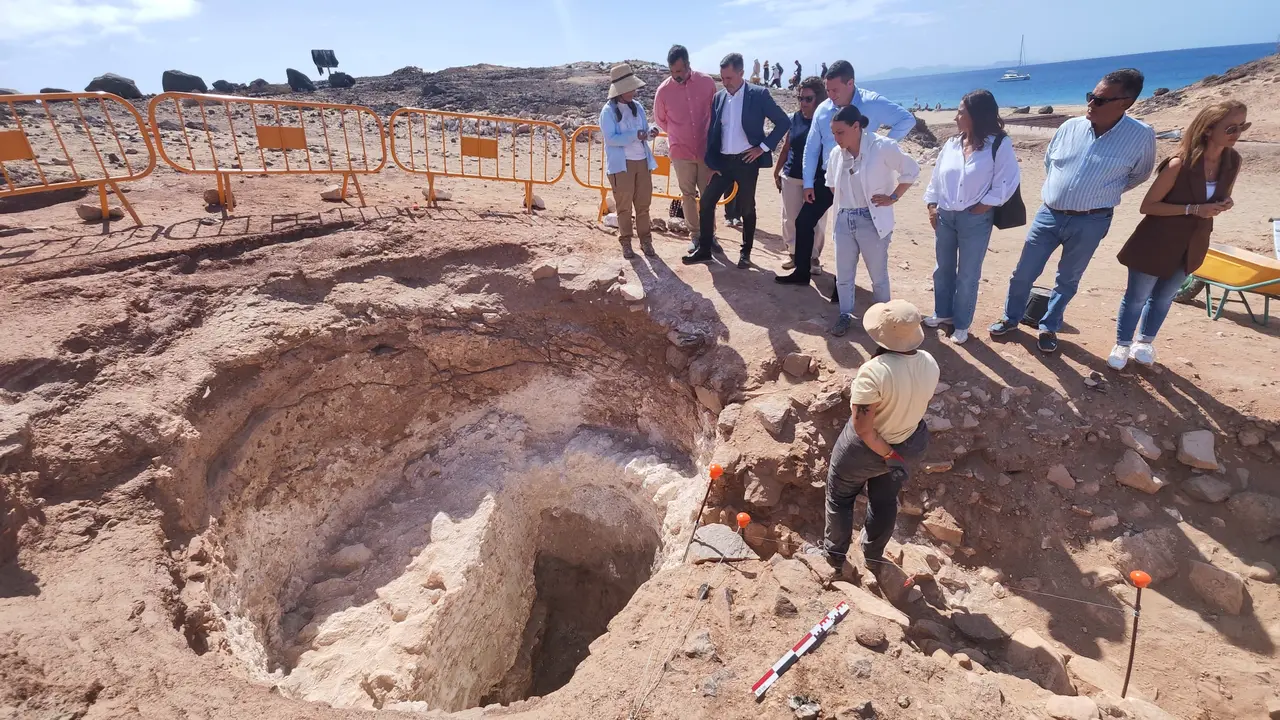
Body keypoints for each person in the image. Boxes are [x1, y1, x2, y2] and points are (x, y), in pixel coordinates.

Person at [989, 69, 1156, 354]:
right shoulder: (1070, 127)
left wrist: (1099, 194)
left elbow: (1139, 175)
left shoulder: (1141, 136)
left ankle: (1049, 326)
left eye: (1100, 100)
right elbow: (1050, 163)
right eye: (1090, 96)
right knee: (1023, 273)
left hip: (1092, 220)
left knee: (1067, 280)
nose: (1090, 103)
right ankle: (1011, 318)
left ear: (1125, 103)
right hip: (1049, 213)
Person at [1108, 100, 1246, 369]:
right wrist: (1195, 208)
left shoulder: (1233, 161)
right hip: (1157, 240)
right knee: (1137, 296)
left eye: (1242, 126)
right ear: (1208, 129)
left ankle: (1144, 342)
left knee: (1164, 296)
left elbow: (1220, 195)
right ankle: (1123, 344)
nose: (1237, 133)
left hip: (1193, 242)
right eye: (1230, 127)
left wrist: (1223, 203)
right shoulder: (1178, 164)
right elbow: (1148, 206)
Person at [775, 60, 916, 290]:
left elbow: (906, 119)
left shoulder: (872, 102)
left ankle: (842, 289)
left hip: (858, 180)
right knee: (803, 221)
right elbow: (812, 148)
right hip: (827, 177)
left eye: (835, 90)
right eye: (827, 90)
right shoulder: (823, 109)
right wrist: (809, 183)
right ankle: (801, 272)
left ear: (850, 83)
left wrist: (878, 147)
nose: (830, 95)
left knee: (847, 235)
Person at [823, 299, 938, 569]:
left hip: (869, 450)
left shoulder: (874, 372)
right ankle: (873, 556)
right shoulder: (930, 362)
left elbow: (863, 428)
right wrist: (896, 455)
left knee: (840, 496)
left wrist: (889, 454)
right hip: (910, 442)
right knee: (885, 499)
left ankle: (834, 556)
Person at [921, 89, 1021, 344]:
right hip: (945, 215)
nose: (955, 117)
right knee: (942, 269)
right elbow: (937, 178)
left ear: (977, 115)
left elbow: (1007, 181)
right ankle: (943, 313)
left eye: (961, 112)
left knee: (967, 274)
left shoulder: (998, 144)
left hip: (975, 219)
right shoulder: (952, 144)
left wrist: (984, 206)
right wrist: (932, 205)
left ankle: (962, 323)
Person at [684, 53, 790, 269]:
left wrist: (762, 148)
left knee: (746, 207)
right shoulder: (719, 98)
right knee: (706, 202)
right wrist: (712, 163)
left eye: (729, 78)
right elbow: (714, 133)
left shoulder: (759, 95)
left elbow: (783, 122)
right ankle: (704, 249)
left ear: (741, 73)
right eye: (722, 78)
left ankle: (745, 253)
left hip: (746, 161)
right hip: (723, 162)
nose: (725, 82)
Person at [823, 105, 920, 336]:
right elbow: (832, 184)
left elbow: (911, 170)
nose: (836, 138)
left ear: (856, 127)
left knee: (878, 276)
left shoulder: (882, 146)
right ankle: (846, 315)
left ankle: (885, 321)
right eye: (833, 133)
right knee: (844, 275)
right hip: (844, 218)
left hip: (871, 219)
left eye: (840, 132)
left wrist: (893, 197)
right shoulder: (837, 153)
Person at [654, 44, 722, 255]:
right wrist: (678, 134)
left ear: (688, 64)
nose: (677, 76)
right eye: (673, 72)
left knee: (708, 195)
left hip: (705, 150)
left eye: (680, 71)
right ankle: (695, 237)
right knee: (688, 195)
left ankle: (710, 237)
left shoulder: (706, 83)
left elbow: (715, 112)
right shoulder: (663, 91)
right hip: (681, 151)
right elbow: (660, 120)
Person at [599, 63, 658, 260]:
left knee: (643, 206)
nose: (634, 91)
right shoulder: (607, 112)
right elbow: (611, 138)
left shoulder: (638, 107)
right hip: (621, 165)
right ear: (620, 90)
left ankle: (646, 241)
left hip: (642, 162)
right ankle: (626, 242)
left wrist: (650, 134)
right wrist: (636, 134)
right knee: (624, 207)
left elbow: (644, 133)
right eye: (630, 88)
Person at [774, 76, 828, 274]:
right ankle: (794, 254)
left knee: (817, 221)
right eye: (800, 98)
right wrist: (777, 170)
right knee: (790, 218)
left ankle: (813, 258)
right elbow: (787, 146)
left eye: (808, 98)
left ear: (819, 98)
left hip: (816, 180)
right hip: (792, 176)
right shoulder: (795, 118)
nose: (803, 103)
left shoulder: (825, 120)